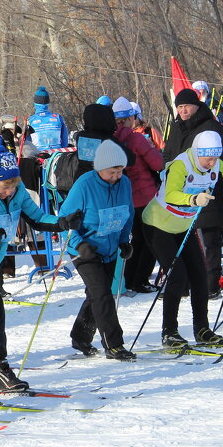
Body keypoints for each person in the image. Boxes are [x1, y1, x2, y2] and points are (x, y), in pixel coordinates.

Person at [0, 150, 75, 389]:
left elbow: (37, 218)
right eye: (5, 187)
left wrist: (62, 222)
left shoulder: (17, 190)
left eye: (13, 186)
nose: (9, 192)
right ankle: (0, 366)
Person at [144, 130, 223, 347]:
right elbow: (171, 194)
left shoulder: (216, 164)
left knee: (199, 277)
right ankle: (170, 333)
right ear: (197, 153)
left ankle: (202, 329)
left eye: (215, 158)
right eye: (208, 158)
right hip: (159, 225)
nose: (211, 163)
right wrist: (194, 198)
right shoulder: (181, 165)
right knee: (177, 277)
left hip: (184, 226)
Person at [59, 141, 137, 360]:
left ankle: (80, 337)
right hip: (84, 248)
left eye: (120, 171)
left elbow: (128, 214)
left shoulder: (125, 184)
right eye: (112, 172)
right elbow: (64, 220)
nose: (116, 176)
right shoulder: (85, 185)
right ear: (99, 168)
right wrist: (80, 244)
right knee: (103, 294)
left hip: (109, 247)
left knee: (96, 295)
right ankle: (114, 345)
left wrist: (124, 241)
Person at [164, 88, 223, 295]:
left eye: (187, 106)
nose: (183, 111)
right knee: (181, 240)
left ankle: (211, 284)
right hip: (181, 191)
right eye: (180, 107)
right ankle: (183, 284)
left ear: (196, 106)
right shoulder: (176, 127)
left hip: (206, 187)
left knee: (210, 240)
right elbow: (168, 153)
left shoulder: (211, 127)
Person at [113, 98, 164, 295]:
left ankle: (129, 279)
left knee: (132, 241)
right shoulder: (136, 139)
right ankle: (141, 279)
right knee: (150, 241)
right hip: (145, 195)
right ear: (130, 118)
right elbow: (157, 164)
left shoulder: (111, 140)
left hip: (124, 199)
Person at [27, 87, 68, 152]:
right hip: (57, 155)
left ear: (35, 103)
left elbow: (27, 142)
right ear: (48, 102)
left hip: (39, 156)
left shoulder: (30, 121)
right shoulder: (58, 118)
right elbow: (65, 140)